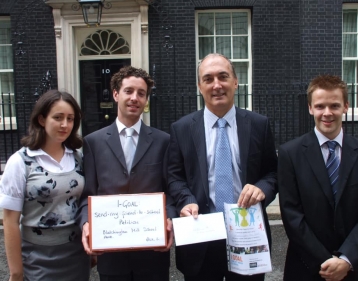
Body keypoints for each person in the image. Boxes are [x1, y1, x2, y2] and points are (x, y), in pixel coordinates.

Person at [168, 53, 278, 281]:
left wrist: (262, 188)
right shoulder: (182, 129)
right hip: (200, 236)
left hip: (247, 235)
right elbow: (174, 176)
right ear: (200, 86)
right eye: (208, 79)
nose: (216, 85)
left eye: (223, 77)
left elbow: (273, 172)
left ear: (235, 82)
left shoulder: (259, 125)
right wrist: (186, 200)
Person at [75, 66, 176, 281]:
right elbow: (88, 195)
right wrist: (86, 223)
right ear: (115, 94)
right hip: (111, 254)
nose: (134, 98)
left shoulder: (163, 141)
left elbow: (171, 191)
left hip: (152, 254)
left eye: (141, 93)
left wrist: (169, 218)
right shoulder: (93, 142)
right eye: (128, 91)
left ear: (146, 99)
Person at [278, 74, 358, 281]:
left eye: (334, 106)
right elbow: (291, 215)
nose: (327, 113)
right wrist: (326, 262)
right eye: (320, 106)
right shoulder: (290, 154)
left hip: (352, 269)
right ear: (310, 108)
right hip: (306, 267)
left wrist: (345, 260)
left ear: (346, 106)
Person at [0, 90, 90, 281]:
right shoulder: (20, 162)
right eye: (58, 117)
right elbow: (10, 221)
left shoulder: (78, 158)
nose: (65, 124)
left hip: (76, 256)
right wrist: (16, 272)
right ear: (41, 119)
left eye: (70, 118)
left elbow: (86, 204)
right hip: (37, 257)